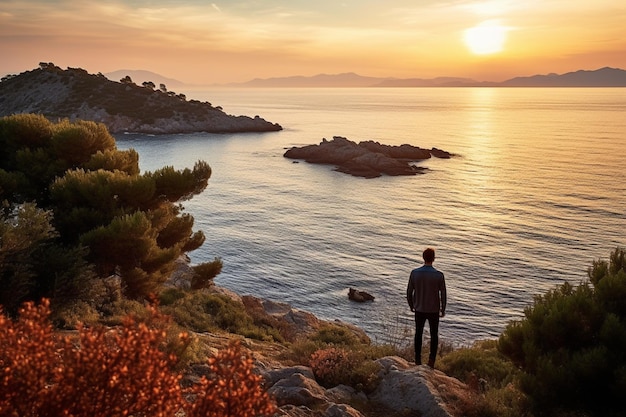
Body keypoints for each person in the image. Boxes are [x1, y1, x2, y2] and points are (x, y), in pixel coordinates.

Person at [406, 247, 447, 368]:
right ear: (434, 259)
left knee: (418, 333)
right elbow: (443, 294)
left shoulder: (414, 273)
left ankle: (417, 360)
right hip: (433, 310)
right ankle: (431, 361)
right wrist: (443, 309)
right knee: (434, 335)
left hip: (419, 309)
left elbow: (409, 292)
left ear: (423, 258)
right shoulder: (439, 275)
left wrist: (411, 305)